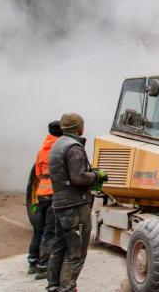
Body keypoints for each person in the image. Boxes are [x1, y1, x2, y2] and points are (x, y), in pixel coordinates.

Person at [46, 113, 108, 292]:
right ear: (77, 127)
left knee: (59, 247)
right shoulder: (74, 147)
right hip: (74, 206)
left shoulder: (57, 144)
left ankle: (53, 286)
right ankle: (67, 288)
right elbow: (78, 178)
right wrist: (97, 174)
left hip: (60, 204)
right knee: (76, 252)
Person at [27, 121, 63, 279]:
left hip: (42, 193)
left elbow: (38, 173)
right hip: (54, 194)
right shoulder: (60, 150)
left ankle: (32, 263)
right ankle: (43, 266)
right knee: (50, 231)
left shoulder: (41, 151)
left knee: (38, 230)